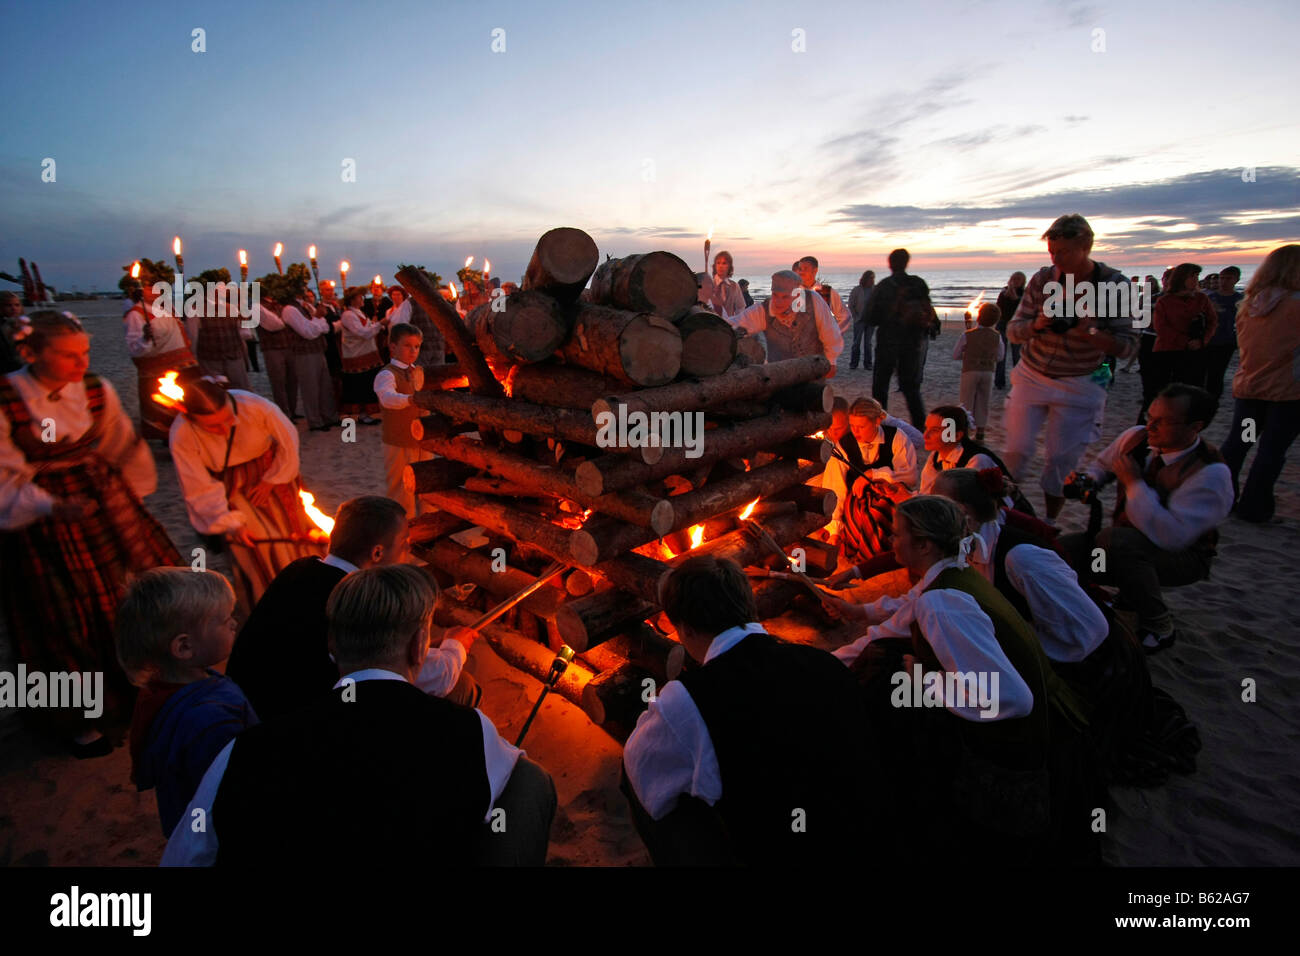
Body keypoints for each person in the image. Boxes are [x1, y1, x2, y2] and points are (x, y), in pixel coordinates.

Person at [162, 564, 557, 866]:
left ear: (332, 644)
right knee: (529, 780)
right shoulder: (468, 729)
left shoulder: (244, 750)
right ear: (421, 647)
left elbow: (185, 856)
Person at [824, 496, 1085, 862]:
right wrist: (822, 668)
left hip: (1012, 747)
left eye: (897, 535)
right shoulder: (952, 573)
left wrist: (926, 678)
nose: (890, 542)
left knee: (888, 682)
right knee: (885, 659)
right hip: (1033, 719)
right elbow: (887, 630)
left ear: (924, 544)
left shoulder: (942, 602)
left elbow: (1013, 698)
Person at [1, 312, 181, 756]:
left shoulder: (96, 389)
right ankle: (80, 720)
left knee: (126, 601)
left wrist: (129, 501)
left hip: (103, 506)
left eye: (84, 353)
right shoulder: (7, 397)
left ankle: (134, 690)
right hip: (39, 522)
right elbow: (4, 472)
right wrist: (52, 505)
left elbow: (122, 444)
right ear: (29, 353)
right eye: (67, 356)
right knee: (61, 618)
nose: (81, 364)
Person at [621, 555, 870, 865]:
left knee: (637, 772)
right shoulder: (826, 663)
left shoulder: (687, 700)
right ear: (748, 607)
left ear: (684, 630)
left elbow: (640, 765)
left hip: (777, 850)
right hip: (859, 839)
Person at [226, 494, 481, 721]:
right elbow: (435, 677)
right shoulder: (364, 598)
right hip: (295, 724)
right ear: (377, 553)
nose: (408, 548)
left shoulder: (299, 569)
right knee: (461, 688)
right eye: (404, 541)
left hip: (247, 703)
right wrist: (455, 646)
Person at [1059, 384, 1233, 653]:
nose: (1150, 426)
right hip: (1124, 543)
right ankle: (1120, 599)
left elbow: (1171, 536)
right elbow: (1103, 466)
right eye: (1149, 417)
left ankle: (1159, 625)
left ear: (1195, 427)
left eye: (1162, 422)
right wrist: (1087, 481)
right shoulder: (1138, 439)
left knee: (1116, 542)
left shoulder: (1210, 474)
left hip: (1183, 557)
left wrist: (1134, 484)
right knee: (1058, 551)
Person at [1003, 214, 1138, 521]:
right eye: (1052, 252)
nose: (1056, 259)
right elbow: (1013, 330)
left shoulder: (1116, 285)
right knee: (1016, 451)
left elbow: (1130, 346)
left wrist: (1091, 332)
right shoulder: (1042, 279)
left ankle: (1049, 522)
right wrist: (1037, 324)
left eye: (1062, 251)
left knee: (1061, 460)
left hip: (1081, 380)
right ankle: (1005, 517)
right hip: (1032, 373)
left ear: (1086, 246)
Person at [167, 372, 323, 614]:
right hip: (228, 487)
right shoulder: (182, 434)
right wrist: (230, 522)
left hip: (269, 471)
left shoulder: (254, 405)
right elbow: (198, 486)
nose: (223, 429)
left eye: (228, 419)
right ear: (191, 418)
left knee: (298, 536)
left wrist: (273, 479)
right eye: (213, 426)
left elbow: (288, 440)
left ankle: (308, 596)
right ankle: (270, 608)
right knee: (256, 549)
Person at [116, 568, 257, 836]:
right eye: (225, 618)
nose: (234, 623)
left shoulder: (159, 692)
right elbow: (230, 791)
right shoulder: (209, 721)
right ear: (184, 647)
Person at [931, 467, 1108, 665]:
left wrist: (1007, 645)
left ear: (963, 513)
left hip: (1076, 670)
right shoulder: (966, 547)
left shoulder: (1021, 559)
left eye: (934, 503)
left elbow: (1090, 629)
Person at [1218, 245, 1300, 523]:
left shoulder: (1250, 304)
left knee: (1241, 443)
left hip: (1250, 386)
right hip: (1287, 391)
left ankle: (1223, 496)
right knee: (1271, 450)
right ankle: (1254, 505)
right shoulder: (1295, 305)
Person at [122, 270, 199, 441]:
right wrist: (145, 338)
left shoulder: (166, 308)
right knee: (165, 411)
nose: (156, 291)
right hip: (159, 371)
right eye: (150, 288)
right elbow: (134, 348)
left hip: (185, 365)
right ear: (138, 291)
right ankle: (172, 440)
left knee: (189, 405)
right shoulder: (136, 314)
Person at [863, 248, 933, 427]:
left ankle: (880, 425)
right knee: (911, 389)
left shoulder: (884, 286)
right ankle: (919, 427)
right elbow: (929, 310)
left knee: (880, 388)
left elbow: (870, 317)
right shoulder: (918, 284)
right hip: (912, 343)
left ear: (890, 263)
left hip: (888, 342)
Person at [724, 270, 843, 371]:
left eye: (785, 297)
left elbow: (830, 333)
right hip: (779, 375)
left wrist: (831, 361)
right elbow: (734, 324)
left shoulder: (813, 301)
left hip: (813, 371)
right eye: (775, 295)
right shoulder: (763, 310)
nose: (779, 302)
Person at [374, 323, 436, 517]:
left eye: (417, 346)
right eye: (408, 345)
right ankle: (402, 530)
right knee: (401, 490)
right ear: (393, 347)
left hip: (423, 439)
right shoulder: (387, 374)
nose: (413, 351)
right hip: (399, 441)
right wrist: (411, 399)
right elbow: (388, 398)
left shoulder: (419, 372)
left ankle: (428, 525)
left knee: (428, 486)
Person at [280, 285, 338, 431]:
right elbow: (307, 332)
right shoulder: (290, 310)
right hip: (304, 353)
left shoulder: (308, 307)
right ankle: (315, 421)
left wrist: (316, 322)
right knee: (310, 388)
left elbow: (324, 328)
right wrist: (317, 319)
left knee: (325, 386)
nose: (305, 289)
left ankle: (329, 417)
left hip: (318, 350)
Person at [1153, 263, 1217, 390]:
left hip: (1196, 349)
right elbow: (1161, 327)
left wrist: (1202, 340)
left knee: (1194, 388)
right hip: (1168, 350)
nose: (1196, 280)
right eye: (1192, 276)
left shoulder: (1201, 298)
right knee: (1167, 389)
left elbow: (1212, 321)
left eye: (1197, 276)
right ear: (1181, 278)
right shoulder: (1165, 301)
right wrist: (1185, 341)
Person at [952, 302, 1004, 441]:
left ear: (979, 316)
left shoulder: (968, 334)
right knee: (983, 400)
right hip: (988, 372)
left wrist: (968, 355)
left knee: (966, 400)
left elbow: (955, 354)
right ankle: (980, 430)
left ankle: (966, 430)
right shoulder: (997, 336)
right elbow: (1000, 356)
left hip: (969, 370)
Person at [336, 286, 384, 425]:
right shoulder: (348, 315)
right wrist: (380, 324)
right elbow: (363, 333)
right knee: (358, 385)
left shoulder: (358, 313)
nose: (362, 299)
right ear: (352, 300)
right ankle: (353, 417)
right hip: (356, 357)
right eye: (359, 297)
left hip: (365, 354)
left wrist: (375, 324)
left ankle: (364, 414)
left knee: (366, 384)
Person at [249, 289, 299, 419]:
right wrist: (283, 318)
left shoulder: (279, 305)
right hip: (272, 348)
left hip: (288, 345)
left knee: (292, 380)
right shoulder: (257, 308)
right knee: (279, 382)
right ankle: (284, 412)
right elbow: (275, 325)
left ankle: (292, 410)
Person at [194, 286, 251, 391]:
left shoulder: (233, 309)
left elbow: (245, 334)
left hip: (233, 356)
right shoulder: (197, 311)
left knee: (241, 390)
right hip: (210, 359)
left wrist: (244, 320)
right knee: (216, 391)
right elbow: (194, 337)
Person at [1203, 266, 1243, 400]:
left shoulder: (1240, 299)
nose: (1224, 281)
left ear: (1236, 280)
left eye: (1228, 278)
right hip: (1207, 339)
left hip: (1227, 340)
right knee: (1203, 371)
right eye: (1222, 278)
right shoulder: (1208, 297)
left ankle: (1212, 398)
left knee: (1217, 372)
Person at [794, 256, 851, 335]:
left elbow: (845, 316)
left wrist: (834, 335)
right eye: (800, 269)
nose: (801, 272)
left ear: (815, 270)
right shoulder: (794, 292)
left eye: (805, 269)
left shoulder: (827, 292)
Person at [994, 271, 1026, 389]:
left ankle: (1017, 382)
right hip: (1002, 325)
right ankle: (999, 382)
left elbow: (1022, 308)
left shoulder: (1024, 293)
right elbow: (999, 308)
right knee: (1001, 355)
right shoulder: (1003, 292)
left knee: (1017, 356)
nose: (1016, 281)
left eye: (1019, 279)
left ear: (1023, 281)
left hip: (1017, 326)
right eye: (1014, 278)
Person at [847, 270, 876, 370]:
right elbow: (851, 304)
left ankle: (868, 364)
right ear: (866, 278)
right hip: (859, 320)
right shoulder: (857, 290)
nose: (872, 280)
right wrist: (855, 317)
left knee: (868, 343)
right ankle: (853, 363)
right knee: (856, 343)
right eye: (870, 278)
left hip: (871, 320)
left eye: (873, 278)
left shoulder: (874, 290)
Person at [706, 250, 746, 318]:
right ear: (715, 266)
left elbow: (740, 307)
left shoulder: (734, 286)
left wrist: (735, 321)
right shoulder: (708, 284)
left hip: (728, 325)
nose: (720, 266)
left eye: (724, 263)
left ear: (729, 266)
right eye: (718, 263)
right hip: (711, 324)